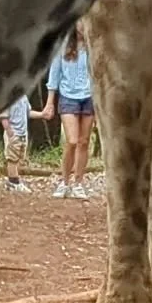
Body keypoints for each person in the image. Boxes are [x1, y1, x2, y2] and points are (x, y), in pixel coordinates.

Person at [42, 24, 95, 198]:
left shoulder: (93, 45)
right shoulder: (63, 45)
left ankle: (78, 183)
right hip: (68, 96)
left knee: (84, 141)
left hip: (88, 96)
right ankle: (64, 182)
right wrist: (50, 103)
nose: (82, 26)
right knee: (72, 140)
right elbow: (54, 75)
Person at [0, 92, 42, 192]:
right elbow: (3, 116)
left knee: (19, 157)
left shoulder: (24, 97)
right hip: (14, 133)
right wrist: (10, 132)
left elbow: (28, 113)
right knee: (12, 158)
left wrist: (42, 114)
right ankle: (13, 182)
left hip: (23, 133)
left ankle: (15, 179)